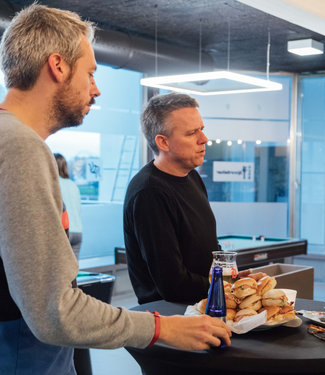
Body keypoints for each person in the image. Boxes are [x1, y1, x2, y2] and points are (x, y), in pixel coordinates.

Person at [0, 5, 231, 374]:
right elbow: (54, 312)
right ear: (57, 66)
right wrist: (163, 327)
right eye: (90, 73)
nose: (96, 89)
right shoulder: (20, 147)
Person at [123, 93, 217, 305]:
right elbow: (173, 284)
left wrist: (233, 278)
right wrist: (226, 289)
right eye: (192, 133)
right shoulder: (149, 193)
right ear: (163, 142)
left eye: (202, 129)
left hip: (205, 304)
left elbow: (207, 248)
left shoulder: (192, 176)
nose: (204, 139)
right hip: (170, 316)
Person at [54, 153, 83, 259]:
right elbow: (78, 209)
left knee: (60, 271)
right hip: (78, 231)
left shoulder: (54, 184)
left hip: (64, 232)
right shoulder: (73, 185)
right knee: (73, 271)